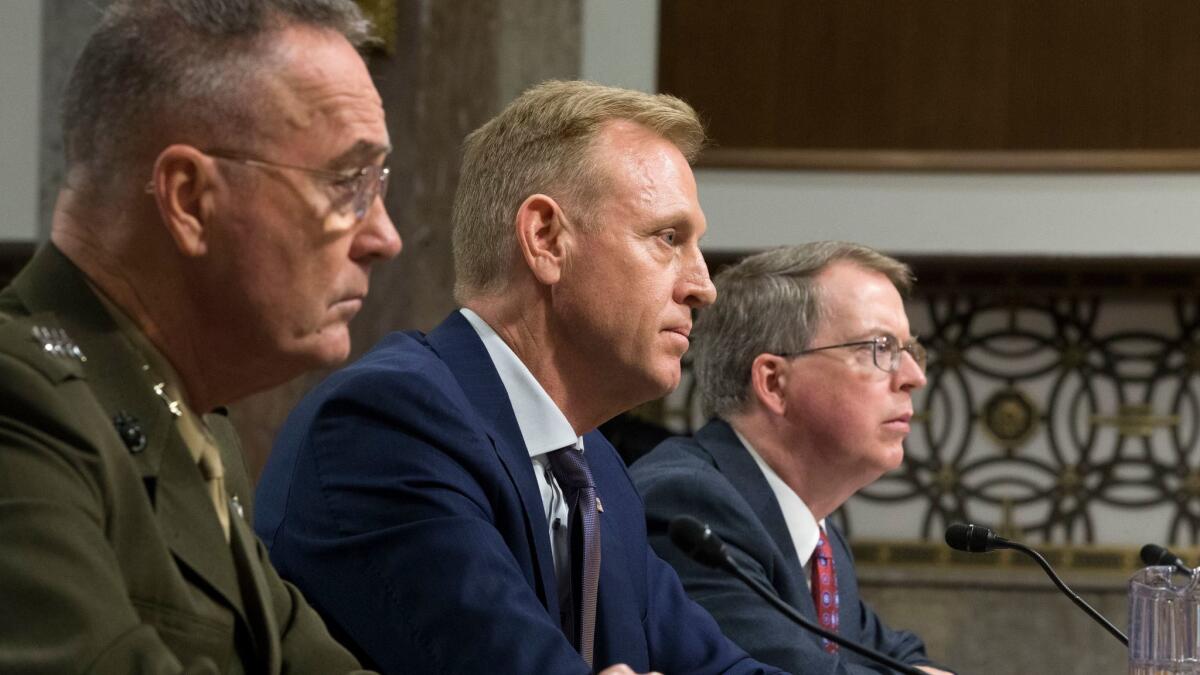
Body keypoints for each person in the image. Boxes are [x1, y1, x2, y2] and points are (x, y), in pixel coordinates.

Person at [255, 80, 782, 674]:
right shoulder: (389, 424)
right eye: (667, 238)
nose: (703, 286)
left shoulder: (597, 470)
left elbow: (721, 667)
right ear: (546, 239)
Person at [0, 1, 402, 671]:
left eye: (377, 185)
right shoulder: (20, 402)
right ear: (188, 200)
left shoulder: (188, 416)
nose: (384, 237)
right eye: (346, 183)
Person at [631, 242, 955, 674]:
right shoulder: (689, 504)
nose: (914, 377)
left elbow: (896, 653)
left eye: (909, 351)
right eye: (879, 348)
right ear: (774, 382)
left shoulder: (817, 538)